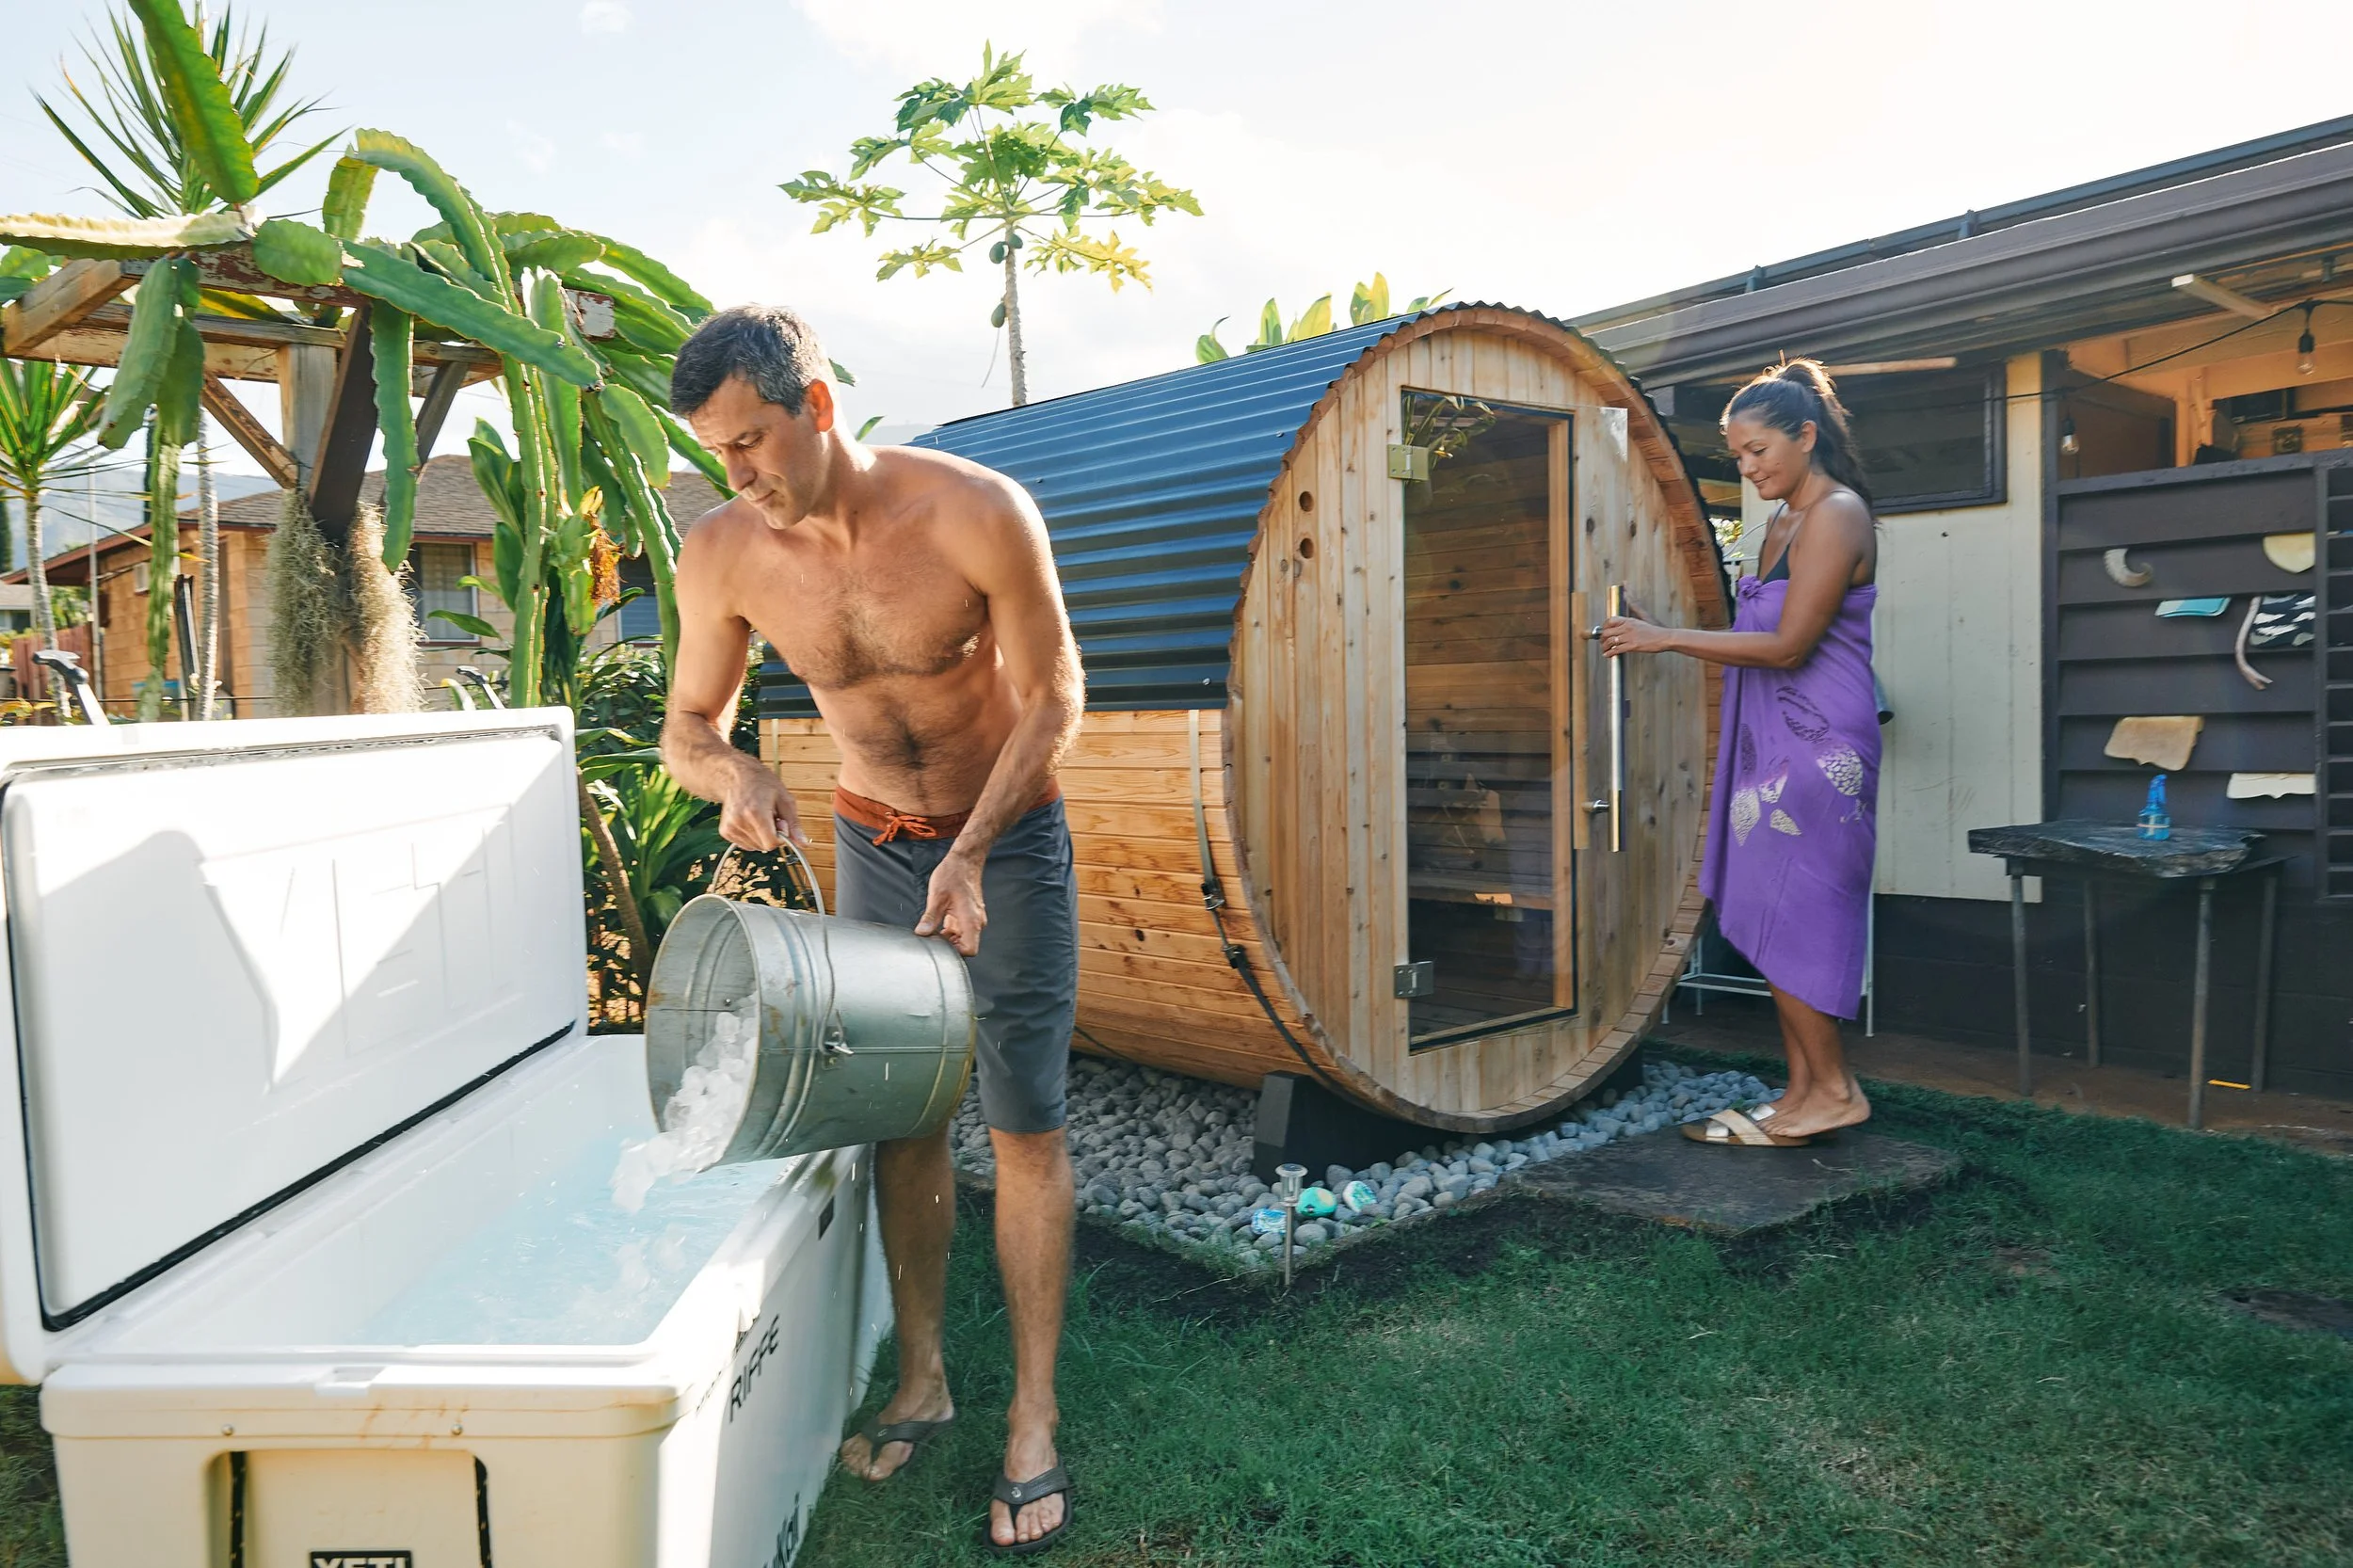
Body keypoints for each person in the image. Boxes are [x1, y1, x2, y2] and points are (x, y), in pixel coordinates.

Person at [660, 305, 1085, 1551]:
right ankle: (925, 1376)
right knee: (906, 1119)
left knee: (1023, 1122)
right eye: (717, 455)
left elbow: (1058, 695)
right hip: (872, 846)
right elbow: (690, 723)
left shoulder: (973, 510)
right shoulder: (725, 554)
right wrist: (734, 776)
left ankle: (1035, 1415)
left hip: (1002, 842)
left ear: (820, 405)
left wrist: (970, 850)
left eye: (752, 443)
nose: (738, 476)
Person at [1600, 359, 1880, 1146]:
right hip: (1772, 741)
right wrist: (1665, 627)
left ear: (1806, 436)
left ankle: (1833, 1090)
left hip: (1820, 746)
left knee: (1801, 908)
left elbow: (1789, 647)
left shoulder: (1837, 514)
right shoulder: (1784, 523)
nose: (1747, 467)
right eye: (1737, 455)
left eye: (1758, 451)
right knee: (1769, 905)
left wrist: (1664, 639)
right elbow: (1756, 635)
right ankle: (1802, 1092)